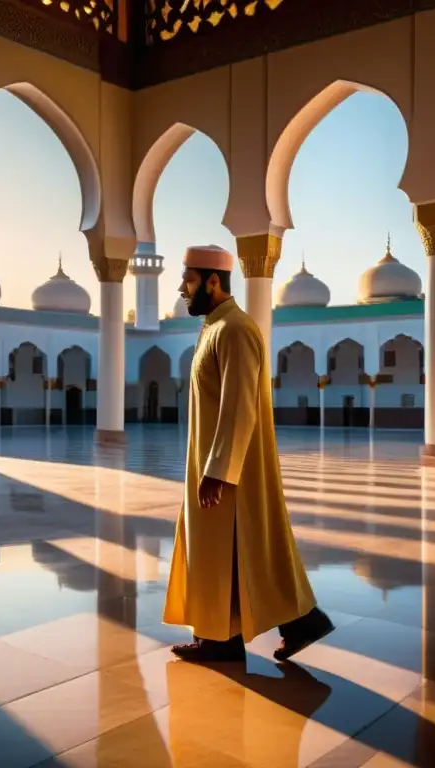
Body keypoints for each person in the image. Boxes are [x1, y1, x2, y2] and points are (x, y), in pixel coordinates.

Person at [163, 244, 334, 663]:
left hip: (227, 467)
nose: (183, 289)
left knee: (243, 549)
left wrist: (219, 469)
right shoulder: (216, 327)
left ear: (213, 281)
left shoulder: (235, 328)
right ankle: (227, 636)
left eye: (188, 279)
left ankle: (251, 632)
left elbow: (238, 406)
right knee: (231, 551)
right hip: (212, 461)